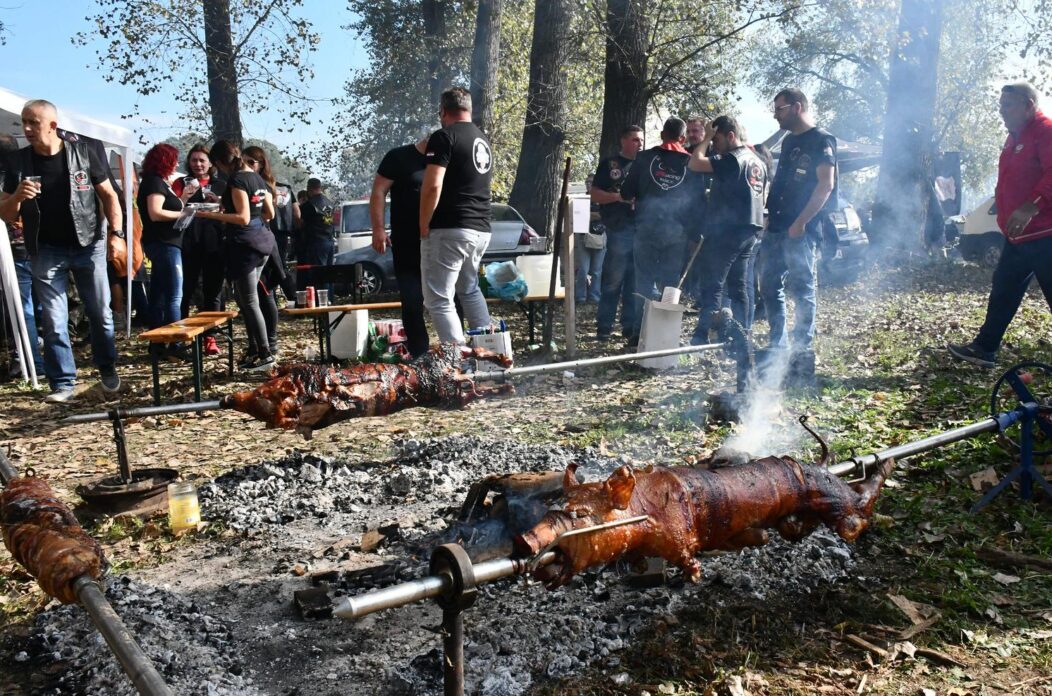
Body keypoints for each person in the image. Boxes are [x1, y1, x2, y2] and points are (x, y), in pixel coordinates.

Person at [0, 99, 123, 403]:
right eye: (24, 122)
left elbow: (109, 195)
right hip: (46, 249)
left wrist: (116, 235)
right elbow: (5, 213)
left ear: (52, 125)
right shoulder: (18, 163)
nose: (26, 128)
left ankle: (107, 368)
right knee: (54, 320)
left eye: (33, 122)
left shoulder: (84, 152)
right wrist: (16, 196)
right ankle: (63, 383)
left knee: (99, 313)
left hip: (88, 242)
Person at [948, 82, 1052, 368]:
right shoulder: (1013, 138)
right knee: (1003, 290)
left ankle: (985, 347)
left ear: (1029, 105)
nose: (1001, 111)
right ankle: (985, 349)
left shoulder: (1045, 131)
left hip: (1045, 234)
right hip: (1019, 236)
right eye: (1000, 105)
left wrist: (1031, 206)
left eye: (1008, 105)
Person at [759, 87, 837, 352]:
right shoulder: (789, 141)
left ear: (797, 107)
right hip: (777, 226)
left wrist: (801, 223)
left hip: (801, 230)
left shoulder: (822, 140)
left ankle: (801, 350)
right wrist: (769, 215)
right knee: (769, 284)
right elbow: (780, 182)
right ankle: (777, 344)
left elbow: (825, 185)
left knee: (802, 288)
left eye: (779, 109)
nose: (775, 115)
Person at [686, 116, 768, 344]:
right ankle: (742, 336)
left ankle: (701, 337)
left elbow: (694, 163)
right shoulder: (758, 162)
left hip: (728, 232)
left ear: (731, 136)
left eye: (718, 139)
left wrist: (706, 137)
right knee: (739, 287)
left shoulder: (732, 159)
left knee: (712, 285)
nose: (715, 145)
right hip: (750, 230)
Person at [196, 141, 276, 372]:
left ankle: (265, 353)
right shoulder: (257, 177)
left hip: (246, 245)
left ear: (220, 162)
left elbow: (241, 217)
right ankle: (253, 350)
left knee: (249, 301)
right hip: (263, 242)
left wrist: (208, 215)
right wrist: (222, 204)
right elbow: (268, 212)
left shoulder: (237, 179)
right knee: (244, 300)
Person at [620, 117, 693, 347]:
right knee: (670, 284)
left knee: (643, 282)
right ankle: (666, 337)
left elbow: (625, 192)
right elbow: (698, 202)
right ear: (682, 138)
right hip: (678, 232)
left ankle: (640, 334)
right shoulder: (691, 163)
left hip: (647, 228)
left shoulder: (644, 158)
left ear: (662, 135)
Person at [371, 135, 431, 357]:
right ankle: (420, 355)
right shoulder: (398, 157)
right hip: (406, 241)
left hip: (439, 240)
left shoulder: (447, 157)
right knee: (412, 299)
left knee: (451, 298)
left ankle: (454, 351)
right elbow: (378, 191)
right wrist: (378, 229)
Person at [173, 144, 226, 356]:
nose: (198, 164)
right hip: (188, 244)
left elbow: (231, 210)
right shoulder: (181, 183)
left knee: (212, 293)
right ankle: (183, 338)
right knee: (185, 291)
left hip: (214, 245)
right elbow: (172, 209)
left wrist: (219, 202)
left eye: (202, 160)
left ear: (210, 163)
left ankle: (210, 338)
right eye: (194, 160)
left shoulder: (221, 184)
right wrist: (185, 196)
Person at [592, 125, 644, 342]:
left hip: (641, 229)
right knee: (613, 280)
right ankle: (604, 327)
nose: (639, 144)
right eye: (635, 140)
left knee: (634, 282)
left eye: (641, 140)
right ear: (623, 141)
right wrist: (619, 197)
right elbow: (595, 194)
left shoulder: (645, 164)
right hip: (617, 228)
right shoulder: (610, 164)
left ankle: (630, 328)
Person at [137, 143, 189, 360]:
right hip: (163, 244)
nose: (177, 163)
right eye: (174, 159)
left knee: (158, 294)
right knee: (174, 295)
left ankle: (157, 345)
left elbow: (173, 208)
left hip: (167, 242)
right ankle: (175, 344)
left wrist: (185, 199)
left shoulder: (161, 183)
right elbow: (155, 213)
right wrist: (182, 215)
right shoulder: (154, 182)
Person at [244, 145, 296, 357]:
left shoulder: (267, 185)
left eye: (251, 162)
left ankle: (270, 341)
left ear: (261, 164)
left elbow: (269, 215)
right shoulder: (246, 182)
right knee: (258, 293)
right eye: (243, 162)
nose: (247, 166)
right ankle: (258, 343)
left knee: (266, 290)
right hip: (256, 240)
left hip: (267, 241)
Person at [0, 134, 44, 379]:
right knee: (44, 305)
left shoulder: (6, 179)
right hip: (40, 245)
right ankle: (42, 356)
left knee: (22, 307)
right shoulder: (28, 171)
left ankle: (31, 360)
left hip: (14, 247)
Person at [296, 177, 336, 291]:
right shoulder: (329, 203)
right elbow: (328, 221)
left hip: (317, 242)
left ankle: (321, 304)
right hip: (329, 241)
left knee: (318, 275)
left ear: (310, 189)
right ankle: (329, 300)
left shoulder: (310, 205)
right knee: (329, 274)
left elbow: (300, 222)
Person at [575, 174, 606, 305]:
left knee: (597, 270)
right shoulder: (581, 199)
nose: (588, 184)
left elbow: (605, 215)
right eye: (587, 181)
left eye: (591, 182)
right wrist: (593, 215)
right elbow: (577, 216)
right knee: (583, 269)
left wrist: (588, 214)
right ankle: (580, 296)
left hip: (600, 236)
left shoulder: (603, 199)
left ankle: (594, 296)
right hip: (583, 236)